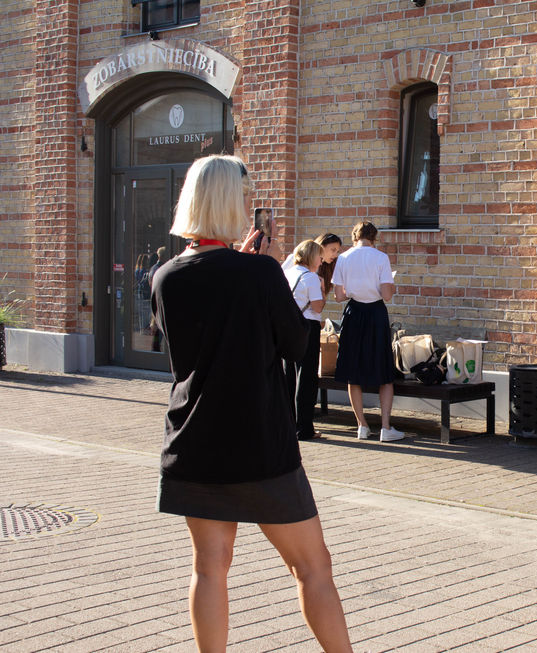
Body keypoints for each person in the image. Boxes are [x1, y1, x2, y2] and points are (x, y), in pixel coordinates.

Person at [150, 154, 351, 651]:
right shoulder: (260, 273)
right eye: (246, 197)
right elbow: (297, 346)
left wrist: (247, 267)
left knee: (209, 567)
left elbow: (190, 352)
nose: (249, 206)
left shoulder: (165, 276)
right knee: (313, 566)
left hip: (194, 441)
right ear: (230, 201)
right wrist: (263, 269)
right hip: (259, 443)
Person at [331, 221, 403, 442]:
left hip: (353, 313)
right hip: (375, 314)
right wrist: (390, 285)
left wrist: (355, 289)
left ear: (355, 236)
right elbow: (387, 295)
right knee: (384, 370)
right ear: (374, 237)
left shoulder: (343, 258)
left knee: (353, 370)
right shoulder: (381, 257)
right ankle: (385, 428)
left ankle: (361, 425)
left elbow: (339, 296)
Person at [283, 240, 326, 441]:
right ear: (312, 256)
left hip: (289, 325)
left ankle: (289, 423)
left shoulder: (288, 273)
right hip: (308, 326)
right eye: (319, 257)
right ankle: (304, 427)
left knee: (289, 375)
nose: (321, 261)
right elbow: (317, 307)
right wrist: (322, 289)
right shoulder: (311, 277)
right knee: (307, 377)